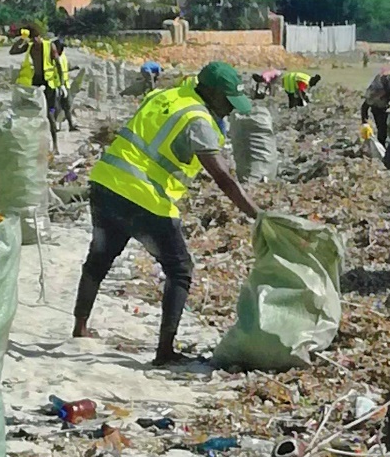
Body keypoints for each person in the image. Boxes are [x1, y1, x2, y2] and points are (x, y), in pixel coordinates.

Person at [73, 62, 260, 365]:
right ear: (210, 92)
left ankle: (80, 327)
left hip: (106, 182)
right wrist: (256, 214)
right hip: (145, 198)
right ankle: (164, 353)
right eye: (226, 101)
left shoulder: (166, 95)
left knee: (99, 257)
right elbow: (224, 179)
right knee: (180, 270)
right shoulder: (198, 118)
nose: (229, 109)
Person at [51, 39, 77, 132]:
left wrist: (73, 68)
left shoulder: (63, 57)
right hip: (55, 85)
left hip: (65, 85)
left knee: (68, 105)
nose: (62, 49)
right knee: (54, 107)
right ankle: (54, 126)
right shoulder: (52, 58)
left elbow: (65, 68)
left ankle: (71, 125)